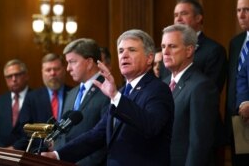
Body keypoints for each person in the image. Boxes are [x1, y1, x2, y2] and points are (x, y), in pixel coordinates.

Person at [42, 29, 174, 166]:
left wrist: (115, 96)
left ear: (149, 58)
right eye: (121, 51)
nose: (124, 55)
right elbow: (97, 134)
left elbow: (151, 126)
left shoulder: (158, 89)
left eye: (132, 50)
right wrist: (58, 155)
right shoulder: (122, 92)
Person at [162, 24, 219, 166]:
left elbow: (199, 143)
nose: (165, 52)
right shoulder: (163, 84)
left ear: (189, 50)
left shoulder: (201, 86)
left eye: (172, 46)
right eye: (163, 47)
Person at [54, 38, 110, 166]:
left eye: (72, 62)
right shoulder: (71, 93)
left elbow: (104, 138)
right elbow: (63, 134)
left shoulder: (108, 90)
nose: (68, 68)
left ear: (89, 62)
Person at [13, 53, 71, 151]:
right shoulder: (32, 97)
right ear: (42, 72)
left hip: (70, 153)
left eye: (56, 69)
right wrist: (46, 144)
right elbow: (25, 130)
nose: (53, 73)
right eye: (48, 70)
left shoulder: (74, 93)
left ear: (64, 70)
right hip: (40, 154)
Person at [173, 0, 227, 93]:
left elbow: (209, 91)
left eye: (184, 13)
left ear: (198, 18)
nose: (178, 19)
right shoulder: (168, 51)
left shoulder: (214, 51)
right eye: (176, 15)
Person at [226, 0, 249, 165]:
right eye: (238, 10)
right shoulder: (235, 42)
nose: (241, 15)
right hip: (238, 120)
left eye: (247, 10)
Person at [0, 59, 30, 148]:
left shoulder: (36, 98)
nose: (14, 79)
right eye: (9, 76)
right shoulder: (1, 101)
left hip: (28, 155)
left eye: (17, 75)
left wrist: (15, 147)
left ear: (26, 76)